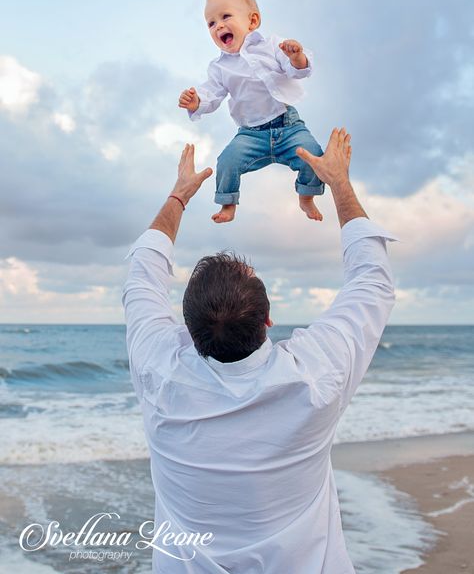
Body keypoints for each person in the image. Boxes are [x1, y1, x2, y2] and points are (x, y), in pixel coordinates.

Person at [122, 129, 397, 573]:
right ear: (268, 320)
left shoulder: (159, 372)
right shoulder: (314, 377)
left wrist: (178, 196)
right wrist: (339, 183)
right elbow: (372, 282)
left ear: (187, 329)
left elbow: (142, 274)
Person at [178, 0, 325, 224]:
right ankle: (228, 203)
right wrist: (196, 102)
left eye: (225, 16)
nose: (219, 26)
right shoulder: (219, 67)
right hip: (250, 135)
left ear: (253, 21)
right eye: (211, 23)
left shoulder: (272, 46)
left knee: (315, 155)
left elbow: (296, 71)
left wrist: (296, 57)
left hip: (288, 126)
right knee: (226, 161)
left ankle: (307, 195)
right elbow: (211, 94)